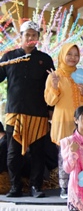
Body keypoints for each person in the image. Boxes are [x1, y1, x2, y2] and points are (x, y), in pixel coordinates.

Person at [0, 20, 55, 198]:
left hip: (38, 113)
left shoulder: (45, 60)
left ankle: (35, 187)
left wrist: (51, 109)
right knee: (13, 152)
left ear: (38, 38)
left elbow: (52, 87)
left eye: (34, 35)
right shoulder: (9, 57)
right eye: (27, 35)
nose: (30, 38)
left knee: (38, 153)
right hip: (14, 112)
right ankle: (15, 187)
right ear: (21, 36)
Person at [46, 44, 83, 199]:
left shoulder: (81, 75)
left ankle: (80, 185)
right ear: (62, 55)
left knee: (81, 153)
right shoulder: (55, 75)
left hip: (80, 122)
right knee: (65, 154)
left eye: (76, 55)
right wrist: (54, 85)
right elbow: (50, 101)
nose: (73, 57)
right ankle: (64, 187)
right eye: (69, 54)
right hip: (63, 120)